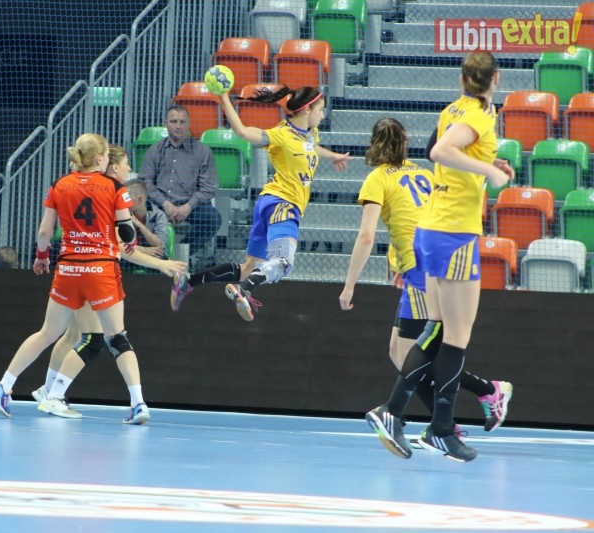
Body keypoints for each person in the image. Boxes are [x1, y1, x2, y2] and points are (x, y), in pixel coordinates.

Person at [363, 52, 514, 462]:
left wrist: (484, 160)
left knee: (436, 328)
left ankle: (396, 413)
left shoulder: (452, 110)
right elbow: (440, 151)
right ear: (496, 79)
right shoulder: (480, 114)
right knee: (456, 337)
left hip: (430, 228)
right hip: (454, 232)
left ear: (462, 79)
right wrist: (490, 172)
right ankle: (439, 428)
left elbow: (437, 145)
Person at [0, 134, 171, 424]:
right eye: (106, 157)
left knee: (48, 333)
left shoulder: (59, 185)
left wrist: (42, 256)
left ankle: (4, 385)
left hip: (68, 269)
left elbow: (45, 231)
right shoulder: (113, 187)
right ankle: (137, 403)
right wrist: (131, 240)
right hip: (100, 271)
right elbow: (126, 231)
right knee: (116, 338)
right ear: (98, 159)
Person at [30, 145, 186, 419]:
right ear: (113, 166)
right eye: (126, 165)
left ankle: (47, 390)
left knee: (72, 335)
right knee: (96, 338)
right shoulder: (108, 193)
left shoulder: (94, 189)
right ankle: (52, 394)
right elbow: (124, 249)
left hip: (76, 270)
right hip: (93, 273)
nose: (129, 169)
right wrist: (161, 264)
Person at [170, 85, 350, 320]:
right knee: (283, 263)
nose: (323, 115)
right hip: (283, 204)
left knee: (248, 269)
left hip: (268, 203)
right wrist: (223, 97)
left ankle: (188, 282)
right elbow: (243, 132)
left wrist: (332, 155)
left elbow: (311, 146)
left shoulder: (311, 132)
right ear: (307, 109)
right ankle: (244, 290)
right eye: (320, 110)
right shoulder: (280, 135)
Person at [138, 104, 221, 269]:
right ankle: (151, 258)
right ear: (166, 123)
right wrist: (165, 204)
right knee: (138, 212)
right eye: (174, 121)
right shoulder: (154, 150)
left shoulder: (202, 151)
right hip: (159, 205)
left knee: (213, 219)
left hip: (191, 207)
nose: (178, 126)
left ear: (189, 124)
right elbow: (145, 183)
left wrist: (188, 207)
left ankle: (180, 253)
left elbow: (209, 187)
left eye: (182, 122)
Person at [124, 178, 169, 259]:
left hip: (152, 255)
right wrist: (144, 250)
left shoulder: (159, 215)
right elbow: (119, 245)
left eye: (126, 198)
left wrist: (139, 224)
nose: (123, 201)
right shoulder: (122, 214)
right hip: (130, 255)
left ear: (140, 199)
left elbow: (160, 245)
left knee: (161, 256)